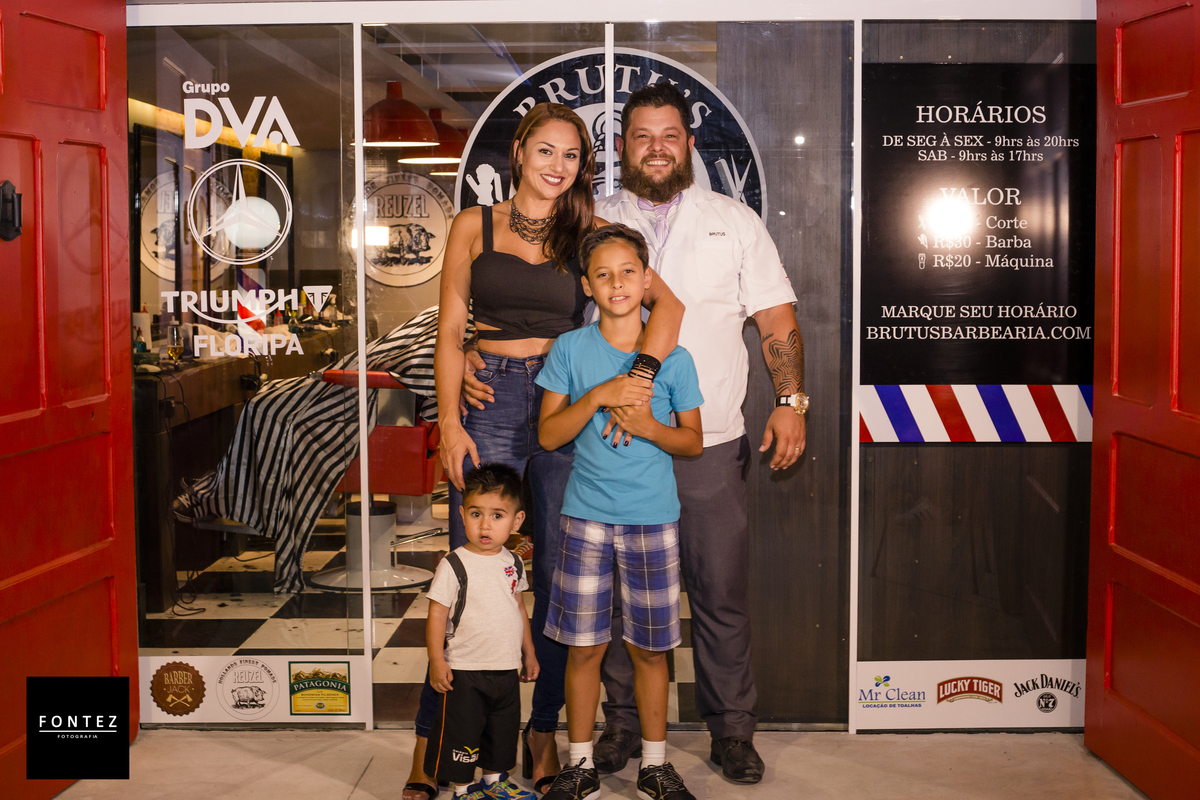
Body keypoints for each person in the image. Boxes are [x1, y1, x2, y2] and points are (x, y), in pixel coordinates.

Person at [405, 103, 685, 800]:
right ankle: (434, 746)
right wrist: (449, 422)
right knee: (472, 576)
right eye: (546, 151)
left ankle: (542, 733)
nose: (558, 166)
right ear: (519, 153)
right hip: (489, 402)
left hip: (567, 398)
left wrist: (636, 382)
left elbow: (669, 309)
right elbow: (449, 331)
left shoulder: (588, 229)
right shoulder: (474, 224)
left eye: (571, 155)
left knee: (563, 587)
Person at [590, 83, 808, 785]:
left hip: (709, 444)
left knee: (720, 595)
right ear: (621, 146)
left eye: (669, 136)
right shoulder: (592, 218)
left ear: (689, 143)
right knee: (619, 597)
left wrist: (790, 402)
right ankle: (622, 725)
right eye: (642, 136)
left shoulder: (734, 221)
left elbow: (775, 320)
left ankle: (732, 731)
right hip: (616, 441)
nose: (656, 148)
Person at [535, 224, 704, 800]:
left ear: (646, 279)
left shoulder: (674, 358)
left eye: (628, 271)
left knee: (650, 650)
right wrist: (598, 396)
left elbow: (692, 442)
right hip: (585, 518)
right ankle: (579, 764)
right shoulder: (570, 349)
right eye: (602, 274)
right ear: (587, 286)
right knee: (584, 648)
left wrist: (651, 427)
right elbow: (549, 435)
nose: (616, 283)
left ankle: (655, 765)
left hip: (652, 519)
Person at [424, 464, 539, 800]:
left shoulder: (514, 563)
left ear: (516, 521)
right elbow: (436, 614)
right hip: (465, 669)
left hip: (504, 666)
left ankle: (494, 780)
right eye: (476, 514)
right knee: (462, 731)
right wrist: (436, 660)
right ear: (462, 514)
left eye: (497, 515)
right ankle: (463, 788)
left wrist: (529, 653)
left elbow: (519, 609)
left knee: (501, 729)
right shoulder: (454, 564)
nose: (485, 525)